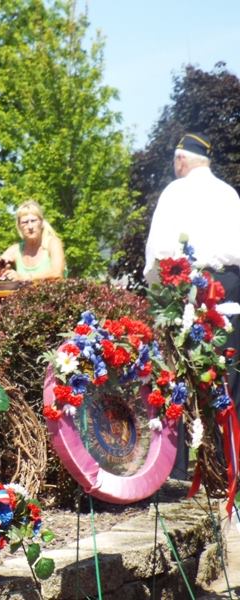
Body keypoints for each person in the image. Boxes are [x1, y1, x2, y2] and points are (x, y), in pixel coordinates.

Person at [145, 132, 240, 416]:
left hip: (188, 288)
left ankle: (191, 440)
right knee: (231, 371)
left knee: (187, 376)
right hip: (231, 286)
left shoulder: (175, 192)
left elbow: (159, 252)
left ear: (181, 159)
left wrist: (158, 291)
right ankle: (232, 441)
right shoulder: (228, 193)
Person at [0, 200, 66, 282]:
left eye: (33, 221)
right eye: (25, 222)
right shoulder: (16, 249)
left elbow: (57, 273)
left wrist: (24, 277)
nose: (30, 226)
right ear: (19, 226)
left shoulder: (53, 243)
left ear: (41, 222)